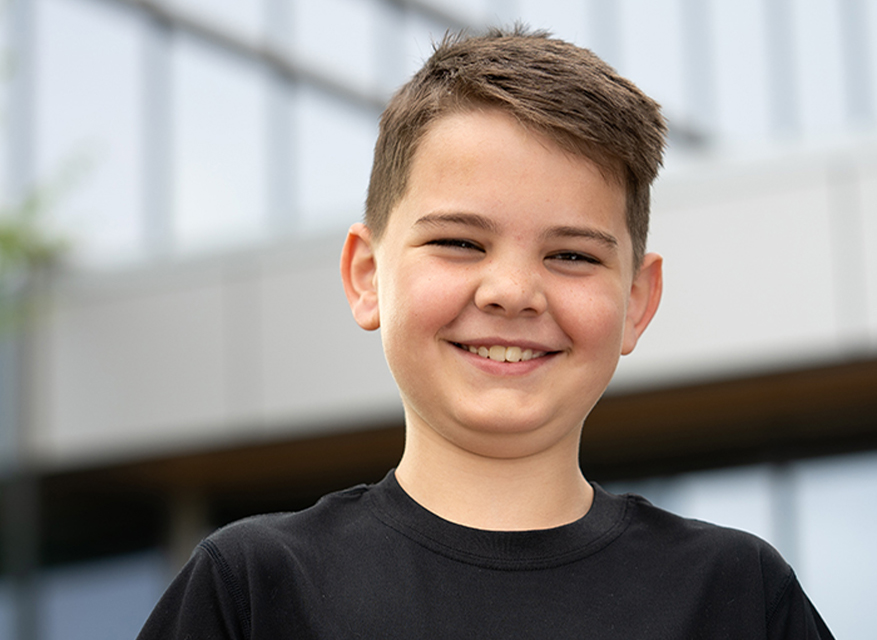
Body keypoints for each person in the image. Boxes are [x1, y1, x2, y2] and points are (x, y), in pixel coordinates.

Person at [138, 26, 834, 638]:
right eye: (460, 243)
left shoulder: (737, 595)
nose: (510, 293)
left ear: (636, 300)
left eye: (571, 255)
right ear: (366, 275)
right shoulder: (253, 590)